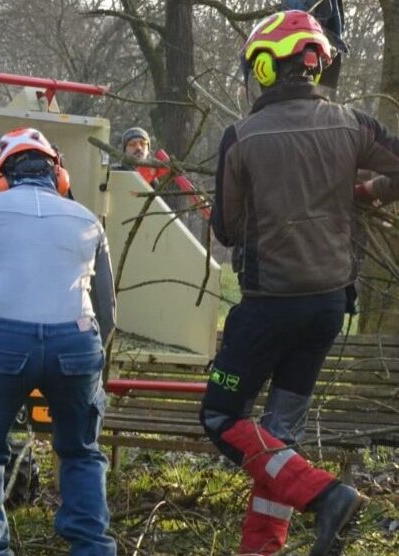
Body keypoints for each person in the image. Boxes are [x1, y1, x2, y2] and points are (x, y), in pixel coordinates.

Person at [204, 9, 399, 556]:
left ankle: (327, 495)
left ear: (266, 68)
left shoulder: (241, 136)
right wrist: (370, 192)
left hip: (270, 304)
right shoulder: (354, 124)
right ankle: (262, 548)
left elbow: (226, 227)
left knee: (221, 416)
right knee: (278, 434)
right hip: (329, 305)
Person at [0, 127, 117, 556]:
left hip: (4, 343)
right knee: (82, 453)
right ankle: (92, 548)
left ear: (1, 177)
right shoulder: (88, 220)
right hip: (77, 341)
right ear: (59, 175)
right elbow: (108, 313)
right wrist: (87, 372)